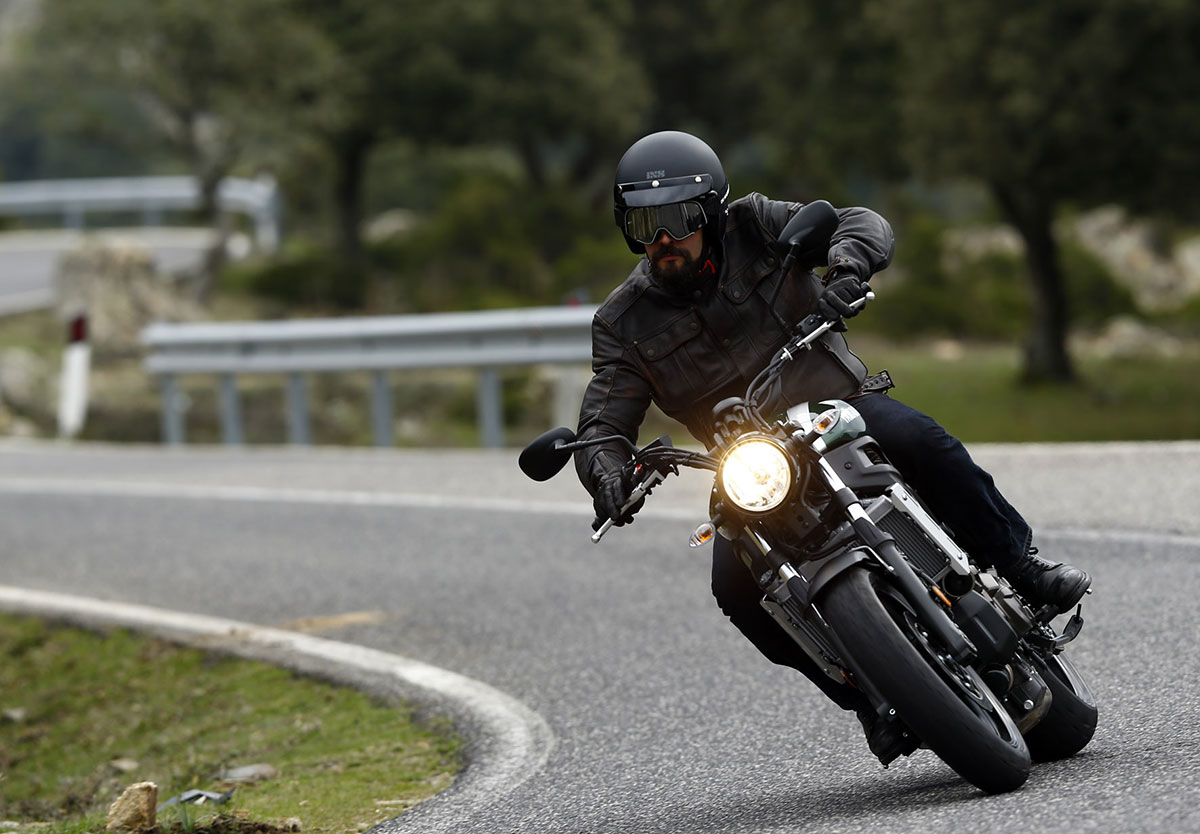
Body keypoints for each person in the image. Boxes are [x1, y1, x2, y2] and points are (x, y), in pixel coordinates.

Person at [572, 130, 1092, 765]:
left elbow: (856, 221)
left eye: (677, 219)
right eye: (644, 223)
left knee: (917, 437)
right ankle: (869, 696)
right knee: (736, 591)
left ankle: (1020, 568)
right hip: (747, 462)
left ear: (708, 211)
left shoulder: (758, 225)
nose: (662, 239)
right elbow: (603, 416)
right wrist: (606, 472)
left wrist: (847, 268)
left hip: (835, 407)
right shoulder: (622, 323)